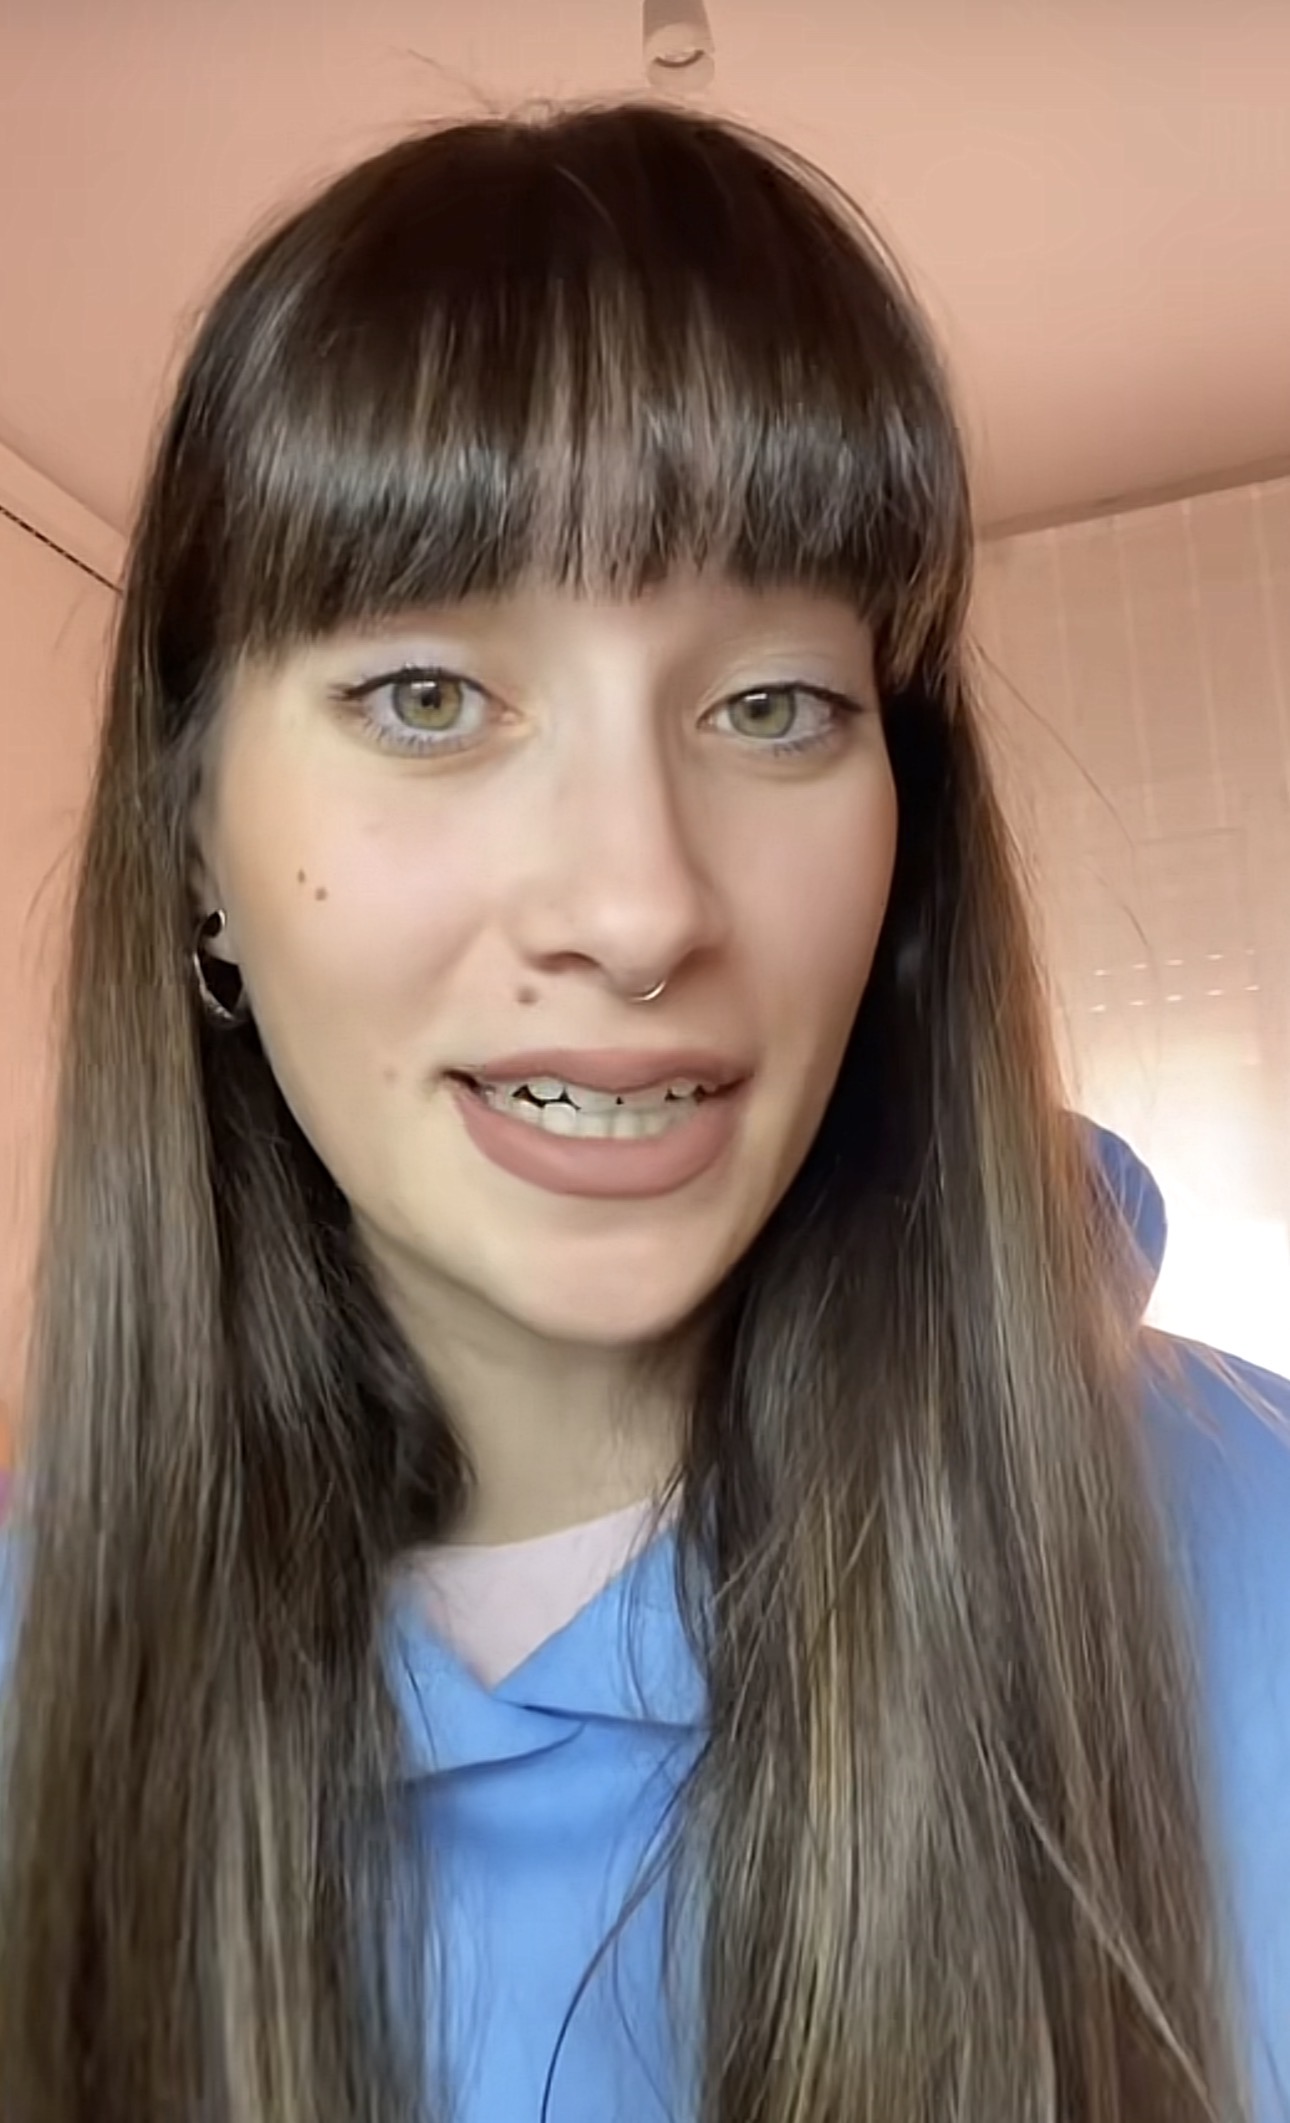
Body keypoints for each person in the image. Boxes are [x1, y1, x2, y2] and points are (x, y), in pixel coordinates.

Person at [0, 98, 1286, 2123]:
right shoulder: (35, 1679)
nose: (638, 906)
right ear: (194, 850)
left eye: (770, 706)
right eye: (429, 697)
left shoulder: (1241, 1551)